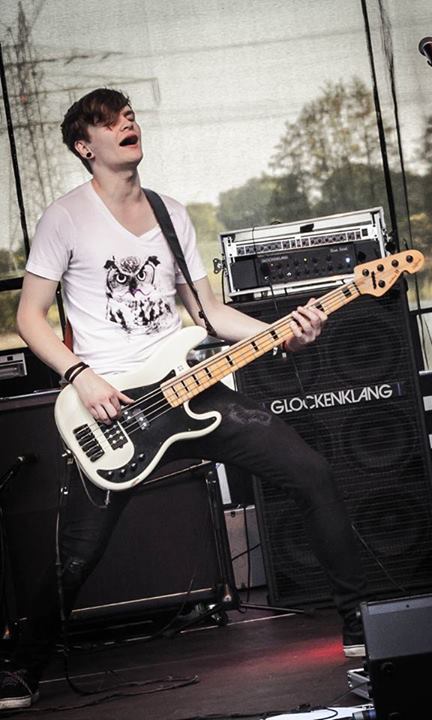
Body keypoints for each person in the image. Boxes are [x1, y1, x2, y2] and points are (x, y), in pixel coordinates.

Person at [0, 88, 367, 710]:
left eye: (130, 116)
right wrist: (80, 374)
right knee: (78, 553)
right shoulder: (65, 218)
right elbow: (30, 318)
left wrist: (284, 334)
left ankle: (358, 622)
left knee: (312, 472)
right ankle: (21, 667)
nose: (127, 123)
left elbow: (209, 313)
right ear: (85, 147)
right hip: (113, 407)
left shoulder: (171, 213)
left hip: (189, 390)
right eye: (109, 121)